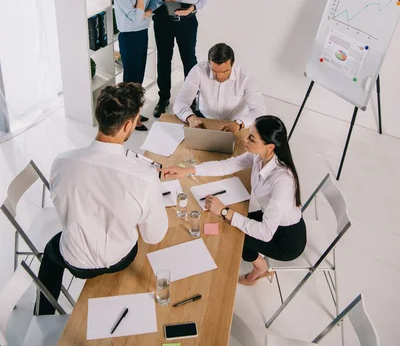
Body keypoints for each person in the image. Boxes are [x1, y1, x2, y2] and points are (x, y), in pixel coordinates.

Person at [37, 83, 168, 314]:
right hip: (120, 258)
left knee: (50, 251)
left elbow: (63, 205)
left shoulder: (61, 162)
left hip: (75, 261)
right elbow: (154, 236)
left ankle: (43, 314)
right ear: (128, 125)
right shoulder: (145, 178)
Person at [163, 115, 306, 286]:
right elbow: (226, 166)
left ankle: (260, 267)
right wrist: (187, 170)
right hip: (271, 219)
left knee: (234, 234)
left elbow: (265, 233)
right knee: (231, 224)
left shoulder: (282, 181)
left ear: (270, 147)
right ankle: (257, 261)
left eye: (251, 138)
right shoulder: (259, 156)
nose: (245, 139)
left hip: (285, 240)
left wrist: (225, 211)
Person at [113, 0, 161, 131]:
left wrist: (158, 0)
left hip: (142, 33)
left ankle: (135, 114)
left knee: (138, 78)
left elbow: (147, 6)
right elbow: (135, 16)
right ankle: (129, 118)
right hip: (130, 37)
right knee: (130, 81)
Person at [173, 43, 265, 133]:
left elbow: (259, 111)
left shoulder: (246, 76)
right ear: (209, 63)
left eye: (225, 71)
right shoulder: (198, 70)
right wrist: (190, 117)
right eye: (214, 71)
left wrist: (240, 123)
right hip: (205, 119)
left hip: (237, 123)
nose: (219, 76)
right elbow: (180, 102)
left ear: (232, 64)